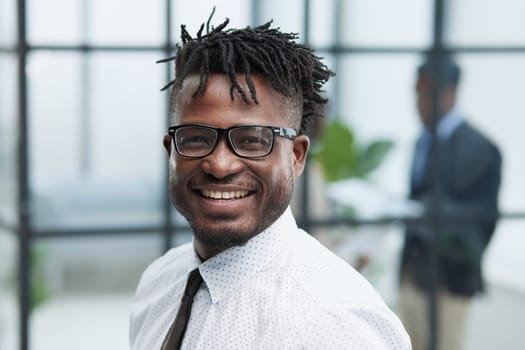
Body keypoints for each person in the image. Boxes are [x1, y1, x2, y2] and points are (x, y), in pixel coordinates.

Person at [129, 13, 411, 350]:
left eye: (251, 140)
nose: (219, 164)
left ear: (296, 156)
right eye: (196, 138)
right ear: (170, 150)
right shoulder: (158, 281)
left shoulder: (335, 323)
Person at [399, 55, 502, 350]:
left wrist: (426, 212)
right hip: (412, 278)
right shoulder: (422, 141)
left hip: (449, 282)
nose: (416, 103)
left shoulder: (481, 148)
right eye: (415, 93)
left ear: (448, 93)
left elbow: (482, 222)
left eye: (423, 94)